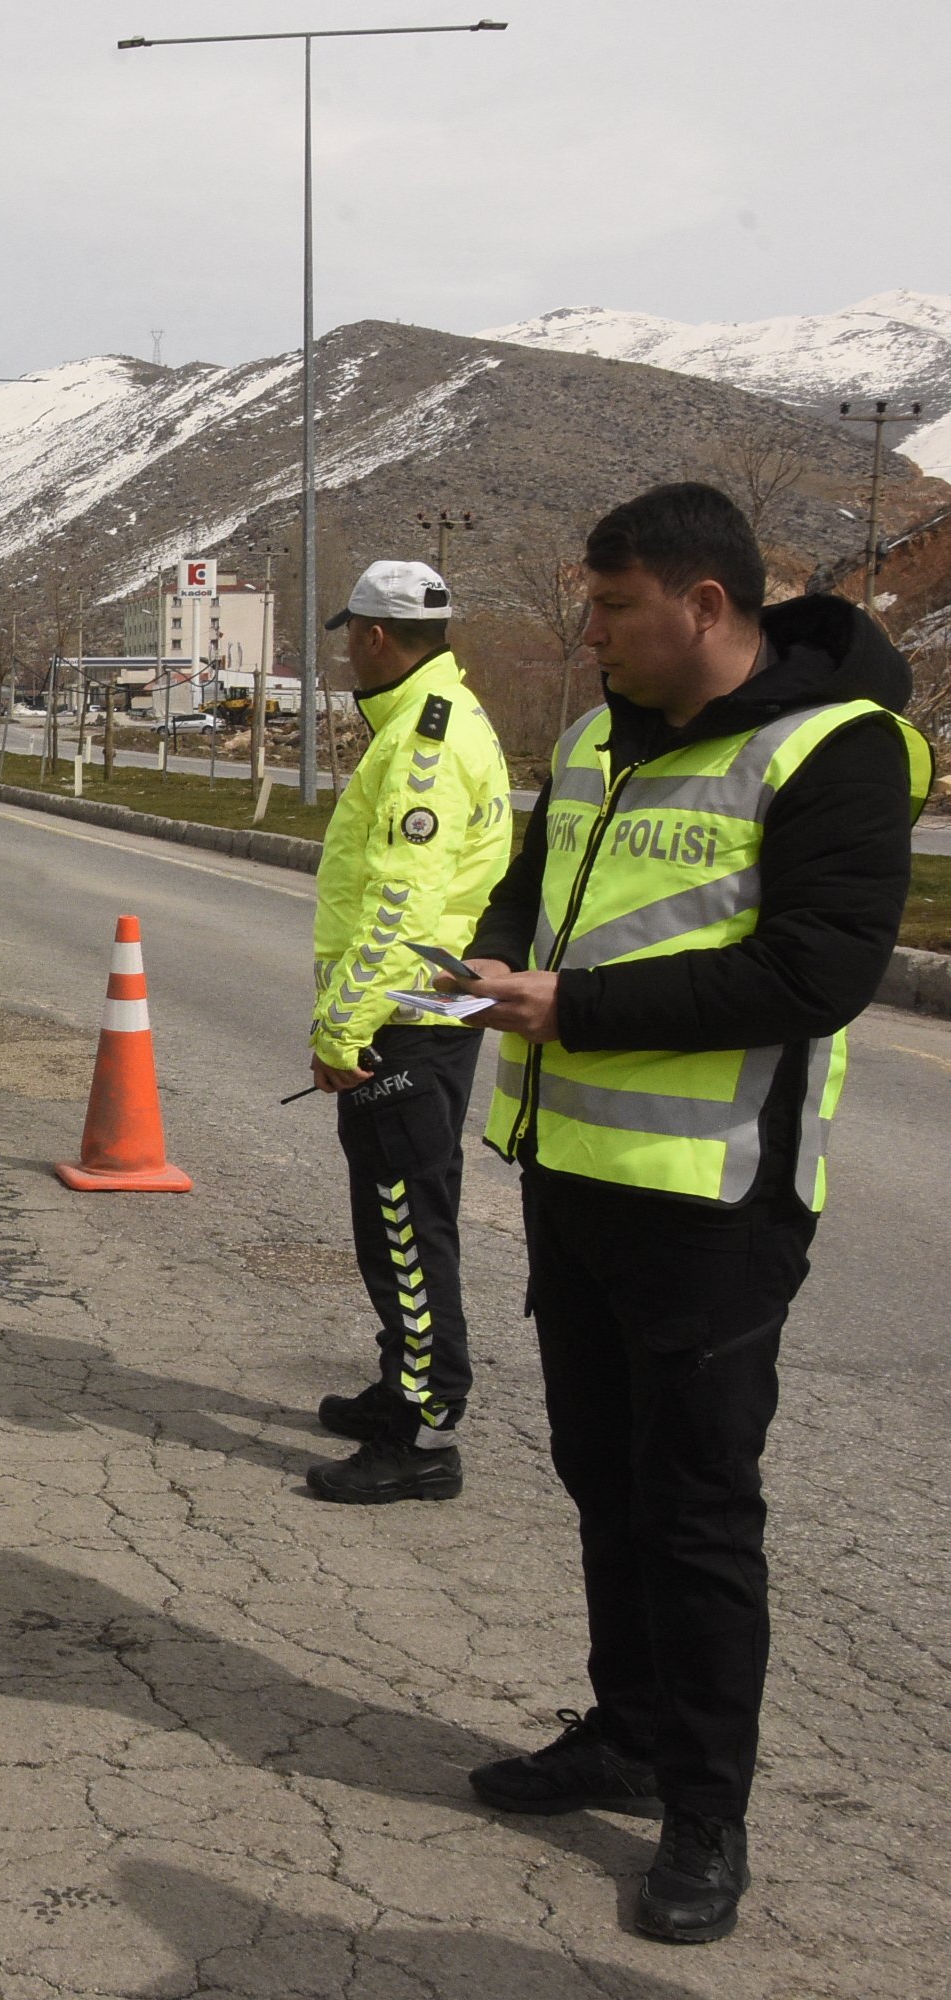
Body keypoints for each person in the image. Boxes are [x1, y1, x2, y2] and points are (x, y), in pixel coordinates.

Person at [447, 483, 929, 1945]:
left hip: (717, 1205)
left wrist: (570, 1007)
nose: (588, 634)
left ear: (705, 607)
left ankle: (706, 1814)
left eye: (611, 609)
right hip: (576, 1173)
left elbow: (815, 975)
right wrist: (481, 957)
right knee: (602, 1475)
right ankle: (627, 1727)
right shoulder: (600, 731)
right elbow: (537, 887)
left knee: (699, 1508)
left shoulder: (838, 752)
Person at [300, 561, 513, 1503]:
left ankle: (422, 1429)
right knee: (398, 1218)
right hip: (419, 1011)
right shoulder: (440, 718)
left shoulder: (422, 745)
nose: (349, 649)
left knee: (405, 1227)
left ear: (377, 638)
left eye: (353, 634)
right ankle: (402, 1389)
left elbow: (398, 909)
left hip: (404, 1019)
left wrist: (342, 1032)